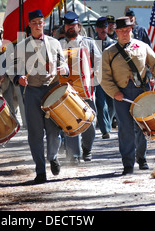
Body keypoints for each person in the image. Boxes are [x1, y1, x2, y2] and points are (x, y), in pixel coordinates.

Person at [100, 17, 155, 175]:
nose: (125, 34)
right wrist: (114, 92)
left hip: (141, 91)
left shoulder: (142, 46)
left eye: (127, 30)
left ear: (132, 30)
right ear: (116, 32)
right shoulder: (109, 52)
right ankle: (128, 163)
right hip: (121, 94)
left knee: (142, 126)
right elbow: (103, 77)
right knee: (125, 129)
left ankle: (142, 158)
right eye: (121, 31)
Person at [10, 9, 68, 184]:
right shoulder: (21, 46)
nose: (37, 26)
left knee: (53, 129)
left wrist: (63, 69)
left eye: (40, 22)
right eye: (34, 23)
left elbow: (64, 65)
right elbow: (12, 69)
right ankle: (40, 170)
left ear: (44, 24)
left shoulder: (54, 43)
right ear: (29, 25)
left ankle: (53, 156)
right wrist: (18, 78)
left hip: (52, 89)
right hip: (32, 91)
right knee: (35, 133)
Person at [59, 11, 100, 163]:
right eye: (68, 25)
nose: (71, 27)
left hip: (86, 91)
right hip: (67, 92)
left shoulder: (88, 43)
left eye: (73, 25)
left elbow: (99, 63)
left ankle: (87, 148)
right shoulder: (59, 44)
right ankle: (74, 155)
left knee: (90, 122)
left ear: (78, 26)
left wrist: (93, 76)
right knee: (71, 122)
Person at [94, 17, 116, 138]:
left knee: (112, 104)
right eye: (101, 27)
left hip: (111, 78)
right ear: (97, 29)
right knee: (101, 104)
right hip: (98, 78)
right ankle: (105, 130)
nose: (103, 30)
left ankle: (109, 121)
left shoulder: (113, 44)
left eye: (105, 27)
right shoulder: (92, 43)